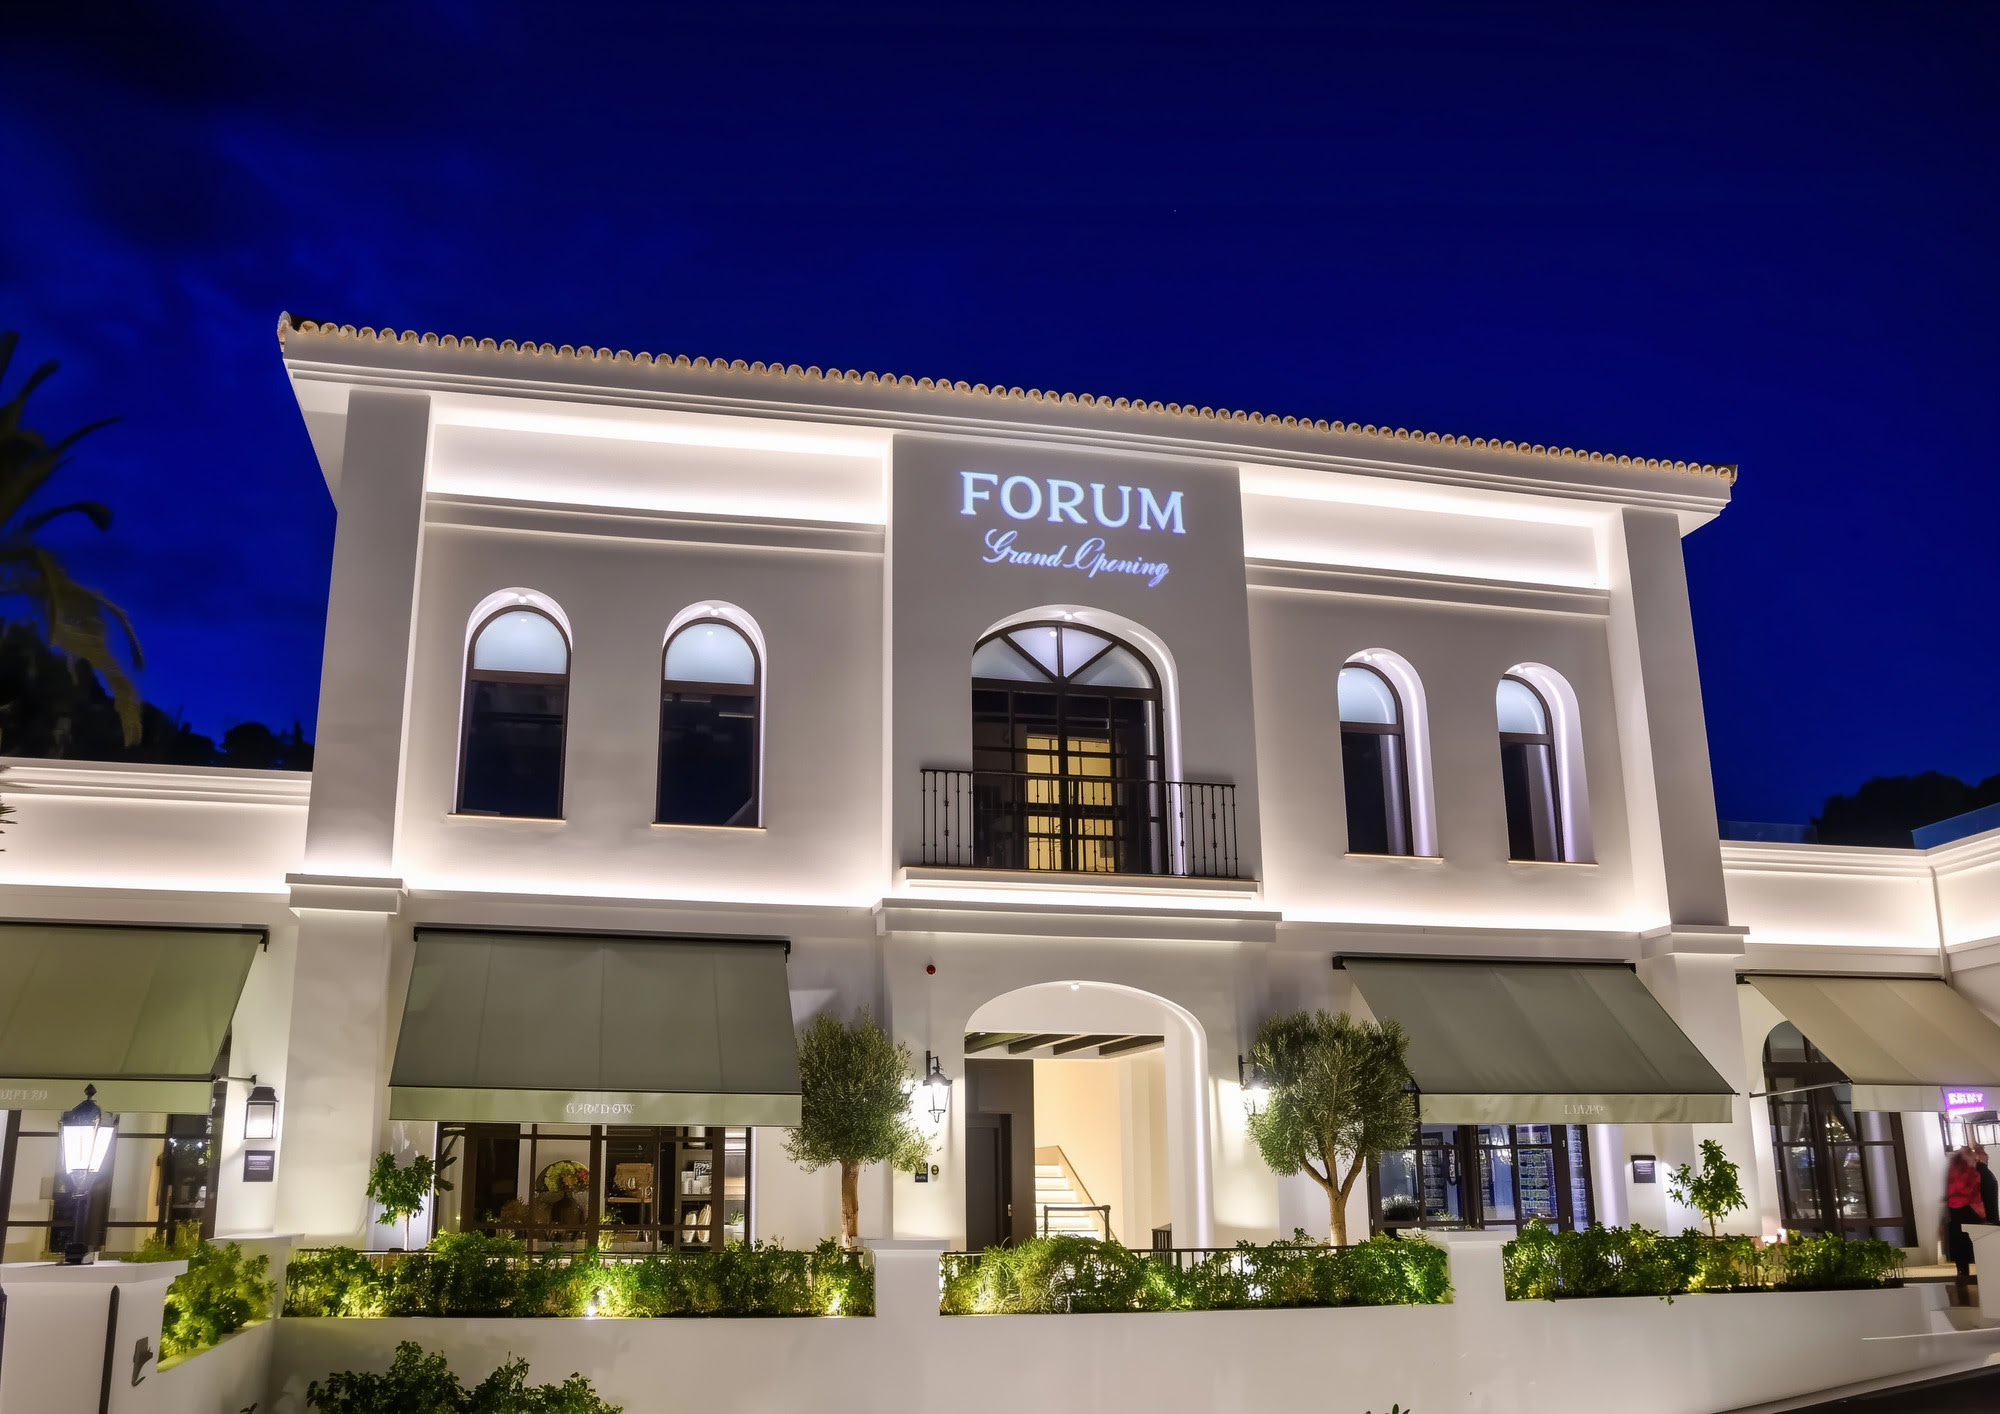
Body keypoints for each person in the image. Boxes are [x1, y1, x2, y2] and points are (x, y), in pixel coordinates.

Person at [1944, 1147, 1986, 1306]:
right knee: (1975, 1244)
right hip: (1969, 1214)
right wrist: (1984, 1217)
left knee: (1959, 1248)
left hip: (1955, 1215)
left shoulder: (1951, 1174)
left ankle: (1962, 1275)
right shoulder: (1972, 1174)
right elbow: (1975, 1197)